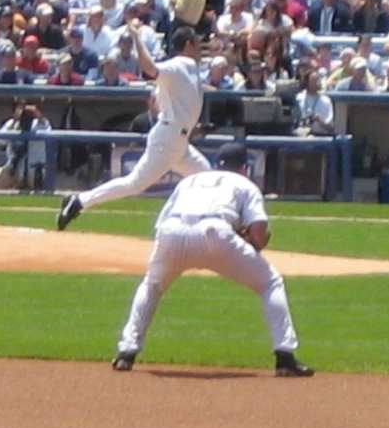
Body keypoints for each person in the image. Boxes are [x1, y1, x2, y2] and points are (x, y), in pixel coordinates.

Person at [111, 142, 314, 378]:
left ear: (217, 165)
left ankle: (126, 352)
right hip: (215, 232)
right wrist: (247, 241)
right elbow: (258, 234)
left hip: (171, 231)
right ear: (245, 168)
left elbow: (160, 227)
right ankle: (285, 356)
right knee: (270, 282)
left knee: (153, 285)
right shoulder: (244, 184)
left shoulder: (190, 181)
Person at [56, 24, 211, 231]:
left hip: (178, 139)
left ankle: (203, 224)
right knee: (135, 184)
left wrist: (192, 126)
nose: (201, 48)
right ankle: (79, 201)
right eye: (198, 44)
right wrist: (137, 38)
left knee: (207, 177)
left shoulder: (189, 68)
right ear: (189, 45)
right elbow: (149, 69)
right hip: (169, 138)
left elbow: (163, 101)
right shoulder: (178, 64)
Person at [294, 70, 335, 136]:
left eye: (318, 80)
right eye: (313, 81)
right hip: (301, 136)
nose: (317, 83)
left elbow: (330, 127)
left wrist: (319, 120)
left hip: (320, 137)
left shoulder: (325, 100)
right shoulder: (298, 98)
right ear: (307, 82)